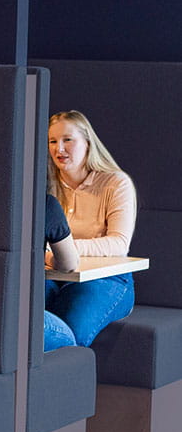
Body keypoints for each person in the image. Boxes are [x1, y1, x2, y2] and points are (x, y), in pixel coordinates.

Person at [45, 110, 137, 347]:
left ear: (88, 142)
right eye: (52, 141)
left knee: (71, 328)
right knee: (25, 316)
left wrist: (66, 248)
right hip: (55, 275)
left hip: (108, 279)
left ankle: (69, 376)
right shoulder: (45, 186)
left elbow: (118, 243)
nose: (59, 149)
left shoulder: (116, 183)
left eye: (68, 140)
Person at [43, 193, 79, 351]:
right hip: (13, 314)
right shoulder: (43, 203)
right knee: (70, 341)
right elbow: (69, 264)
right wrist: (47, 257)